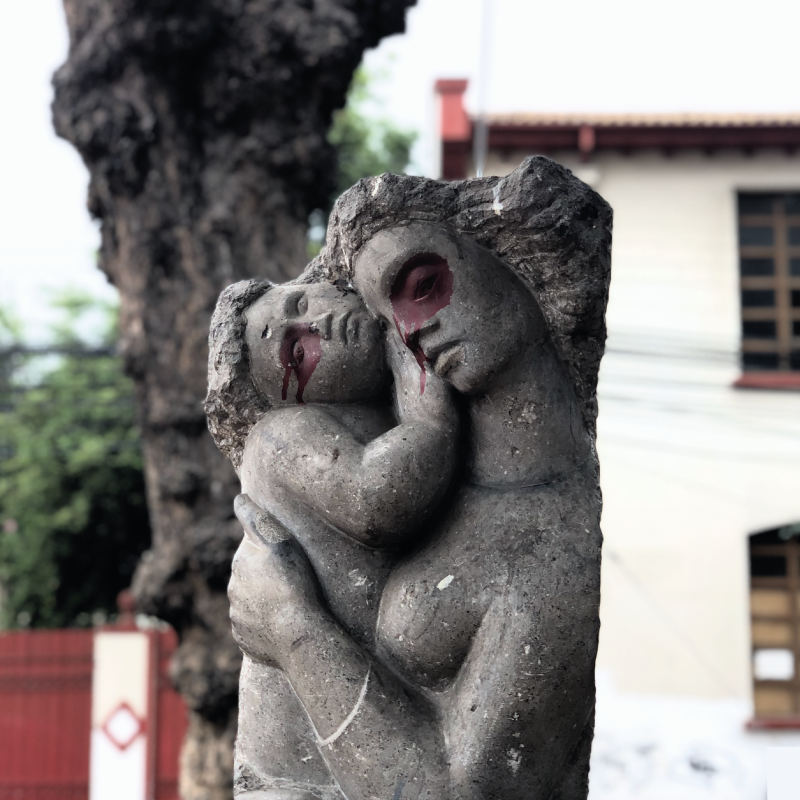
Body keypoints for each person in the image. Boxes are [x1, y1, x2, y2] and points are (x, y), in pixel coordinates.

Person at [223, 157, 613, 800]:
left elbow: (459, 793)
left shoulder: (549, 543)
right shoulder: (304, 440)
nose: (408, 332)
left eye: (423, 285)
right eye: (385, 317)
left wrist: (294, 629)